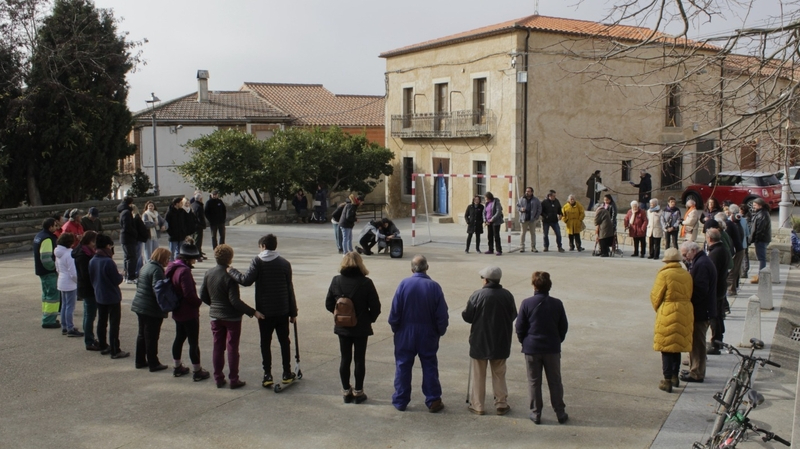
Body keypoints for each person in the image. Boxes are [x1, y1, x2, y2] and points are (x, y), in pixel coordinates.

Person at [228, 234, 298, 388]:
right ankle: (287, 372)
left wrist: (231, 271)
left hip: (264, 312)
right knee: (284, 341)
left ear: (263, 246)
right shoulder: (285, 263)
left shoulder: (257, 261)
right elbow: (289, 289)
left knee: (265, 343)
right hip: (282, 310)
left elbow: (246, 280)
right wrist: (293, 312)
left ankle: (267, 374)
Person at [388, 255, 449, 412]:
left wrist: (396, 328)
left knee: (403, 365)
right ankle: (433, 399)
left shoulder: (403, 284)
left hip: (405, 331)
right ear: (427, 267)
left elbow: (395, 311)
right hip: (427, 332)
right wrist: (439, 331)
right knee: (429, 365)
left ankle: (400, 400)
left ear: (411, 269)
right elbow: (442, 314)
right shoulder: (434, 287)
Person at [201, 244, 265, 389]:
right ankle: (233, 379)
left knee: (218, 347)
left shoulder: (208, 273)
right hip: (232, 317)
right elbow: (235, 301)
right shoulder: (230, 276)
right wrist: (253, 312)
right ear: (230, 258)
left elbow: (203, 295)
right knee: (232, 348)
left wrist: (214, 305)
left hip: (215, 316)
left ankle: (218, 378)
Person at [325, 251, 381, 403]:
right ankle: (358, 391)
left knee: (345, 358)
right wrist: (367, 319)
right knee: (359, 359)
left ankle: (345, 391)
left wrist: (340, 316)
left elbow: (329, 304)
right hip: (361, 327)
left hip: (343, 327)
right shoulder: (366, 283)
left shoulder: (336, 281)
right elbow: (376, 307)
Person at [462, 266, 517, 416]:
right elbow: (513, 315)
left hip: (479, 341)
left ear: (486, 280)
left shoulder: (477, 295)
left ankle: (478, 405)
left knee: (479, 374)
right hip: (500, 340)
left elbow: (468, 317)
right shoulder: (507, 295)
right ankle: (501, 403)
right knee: (499, 373)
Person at [516, 271, 569, 425]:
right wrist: (557, 340)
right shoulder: (557, 303)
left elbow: (519, 327)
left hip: (532, 347)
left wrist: (524, 342)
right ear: (549, 285)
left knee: (534, 382)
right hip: (552, 347)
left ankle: (535, 413)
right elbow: (563, 326)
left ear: (534, 285)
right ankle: (560, 412)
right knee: (555, 381)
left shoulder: (527, 303)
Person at [649, 248, 693, 393]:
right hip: (685, 310)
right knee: (677, 346)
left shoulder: (664, 274)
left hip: (668, 309)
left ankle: (667, 379)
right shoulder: (686, 274)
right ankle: (675, 376)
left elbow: (656, 296)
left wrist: (660, 308)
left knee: (667, 347)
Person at [167, 240, 209, 381]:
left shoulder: (174, 268)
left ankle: (177, 367)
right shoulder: (184, 271)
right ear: (189, 258)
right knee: (193, 342)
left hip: (178, 311)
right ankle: (197, 371)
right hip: (188, 312)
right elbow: (189, 294)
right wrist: (198, 302)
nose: (195, 261)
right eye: (194, 258)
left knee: (179, 338)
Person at [679, 241, 717, 383]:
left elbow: (700, 290)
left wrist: (688, 301)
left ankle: (697, 373)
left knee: (698, 343)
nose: (685, 258)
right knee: (695, 342)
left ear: (693, 251)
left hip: (701, 310)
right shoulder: (701, 261)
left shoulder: (701, 264)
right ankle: (694, 369)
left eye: (685, 255)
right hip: (703, 309)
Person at [131, 247, 171, 372]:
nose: (168, 261)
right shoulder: (157, 270)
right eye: (167, 258)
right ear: (162, 258)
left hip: (140, 305)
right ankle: (153, 363)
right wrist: (166, 303)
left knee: (142, 335)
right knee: (152, 337)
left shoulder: (146, 266)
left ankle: (140, 360)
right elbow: (157, 290)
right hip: (150, 308)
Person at [90, 234, 128, 359]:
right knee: (114, 324)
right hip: (112, 296)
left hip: (99, 295)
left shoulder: (93, 260)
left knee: (102, 322)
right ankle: (115, 349)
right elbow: (116, 280)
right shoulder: (108, 261)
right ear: (107, 246)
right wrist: (121, 275)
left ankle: (103, 345)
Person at [73, 231, 100, 350]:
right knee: (90, 315)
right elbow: (86, 274)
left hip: (87, 287)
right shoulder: (83, 255)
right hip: (88, 288)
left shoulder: (85, 252)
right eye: (94, 242)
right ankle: (89, 341)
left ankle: (90, 338)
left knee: (89, 314)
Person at [705, 229, 729, 355]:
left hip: (716, 290)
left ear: (709, 238)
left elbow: (712, 274)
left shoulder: (715, 253)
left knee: (714, 316)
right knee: (718, 315)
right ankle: (718, 340)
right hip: (720, 287)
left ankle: (716, 342)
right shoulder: (721, 249)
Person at [33, 218, 61, 329]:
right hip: (49, 272)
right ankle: (49, 320)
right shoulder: (47, 238)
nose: (57, 227)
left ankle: (47, 317)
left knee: (46, 295)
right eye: (55, 225)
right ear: (50, 227)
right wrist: (55, 267)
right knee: (52, 295)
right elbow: (46, 259)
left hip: (42, 271)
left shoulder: (39, 236)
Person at [55, 232, 83, 337]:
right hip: (70, 282)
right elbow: (73, 273)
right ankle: (70, 328)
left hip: (61, 280)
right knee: (70, 307)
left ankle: (65, 326)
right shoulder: (69, 254)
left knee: (64, 305)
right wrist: (78, 281)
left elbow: (57, 268)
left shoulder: (58, 253)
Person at [725, 204, 747, 296]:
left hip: (737, 250)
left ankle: (731, 290)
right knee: (735, 270)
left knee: (732, 271)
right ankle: (733, 288)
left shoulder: (732, 225)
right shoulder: (740, 223)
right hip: (740, 248)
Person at [749, 198, 771, 283]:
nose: (753, 207)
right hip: (761, 239)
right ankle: (760, 274)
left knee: (761, 258)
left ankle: (761, 276)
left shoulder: (762, 215)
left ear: (760, 205)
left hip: (761, 239)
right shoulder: (761, 213)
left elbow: (759, 230)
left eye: (755, 205)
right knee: (761, 258)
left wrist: (755, 240)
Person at [117, 196, 137, 283]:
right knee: (131, 257)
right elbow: (127, 226)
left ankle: (127, 275)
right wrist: (135, 233)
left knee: (127, 257)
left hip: (125, 238)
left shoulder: (123, 211)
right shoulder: (126, 212)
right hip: (128, 238)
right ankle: (130, 276)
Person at [517, 187, 542, 253]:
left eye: (528, 191)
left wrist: (536, 217)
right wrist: (521, 209)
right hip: (523, 219)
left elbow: (539, 208)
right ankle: (522, 247)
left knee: (533, 233)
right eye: (526, 191)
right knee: (523, 233)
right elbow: (518, 206)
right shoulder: (522, 199)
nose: (527, 192)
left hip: (532, 220)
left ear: (532, 192)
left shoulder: (536, 200)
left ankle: (533, 247)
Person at [131, 204, 150, 280]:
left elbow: (141, 229)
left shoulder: (136, 218)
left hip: (137, 239)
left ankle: (138, 271)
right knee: (138, 255)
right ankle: (138, 271)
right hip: (138, 239)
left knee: (138, 256)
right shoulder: (136, 217)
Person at [190, 192, 207, 259]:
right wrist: (203, 225)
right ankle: (197, 255)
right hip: (198, 226)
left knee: (196, 240)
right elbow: (200, 217)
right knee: (198, 241)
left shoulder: (193, 205)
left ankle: (199, 253)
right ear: (200, 199)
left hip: (194, 225)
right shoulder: (199, 206)